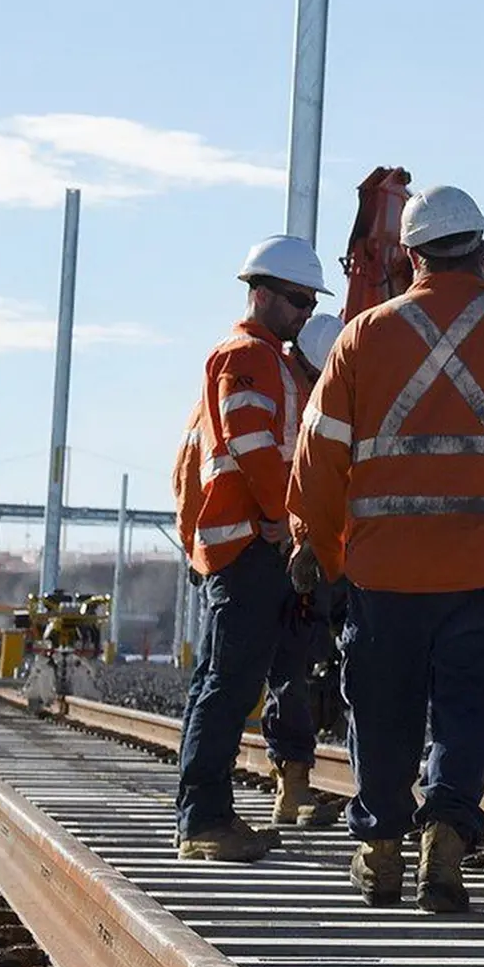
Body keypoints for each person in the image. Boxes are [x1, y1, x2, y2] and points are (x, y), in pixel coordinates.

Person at [291, 186, 484, 914]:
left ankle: (382, 849)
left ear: (410, 255)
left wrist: (312, 544)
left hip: (384, 567)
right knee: (467, 709)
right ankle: (448, 836)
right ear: (482, 249)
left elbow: (320, 453)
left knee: (381, 705)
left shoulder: (362, 337)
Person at [168, 236, 328, 863]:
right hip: (247, 544)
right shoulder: (248, 357)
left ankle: (203, 817)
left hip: (242, 541)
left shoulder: (271, 358)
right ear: (259, 293)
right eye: (294, 299)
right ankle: (204, 822)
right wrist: (280, 518)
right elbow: (254, 444)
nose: (303, 312)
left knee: (221, 683)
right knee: (228, 687)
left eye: (310, 301)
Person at [260, 311, 349, 827]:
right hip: (305, 557)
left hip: (328, 555)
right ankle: (292, 787)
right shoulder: (300, 400)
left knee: (296, 669)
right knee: (292, 669)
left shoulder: (304, 394)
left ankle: (297, 786)